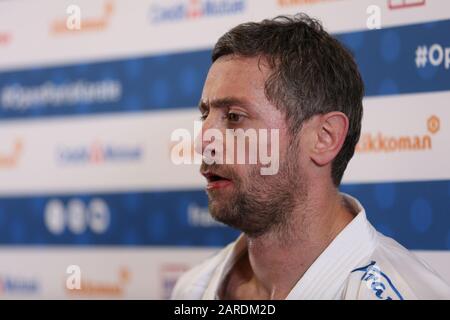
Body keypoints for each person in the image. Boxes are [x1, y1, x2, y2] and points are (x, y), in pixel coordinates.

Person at [171, 13, 450, 300]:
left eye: (234, 117)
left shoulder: (403, 293)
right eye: (205, 114)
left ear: (324, 138)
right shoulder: (193, 289)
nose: (202, 142)